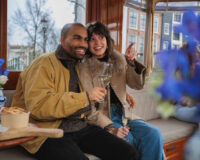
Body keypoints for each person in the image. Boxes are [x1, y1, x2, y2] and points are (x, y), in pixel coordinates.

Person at [11, 23, 140, 160]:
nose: (83, 44)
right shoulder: (43, 64)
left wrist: (124, 92)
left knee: (129, 153)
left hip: (81, 127)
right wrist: (85, 98)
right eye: (77, 38)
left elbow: (104, 78)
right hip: (46, 131)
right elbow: (38, 106)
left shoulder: (80, 65)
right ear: (62, 40)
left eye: (85, 40)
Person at [79, 21, 164, 160]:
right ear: (87, 44)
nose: (97, 42)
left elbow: (136, 85)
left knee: (153, 134)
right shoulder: (85, 68)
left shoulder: (118, 59)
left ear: (107, 40)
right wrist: (110, 129)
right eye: (92, 39)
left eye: (101, 37)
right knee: (128, 140)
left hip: (123, 114)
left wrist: (131, 63)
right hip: (103, 116)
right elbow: (88, 108)